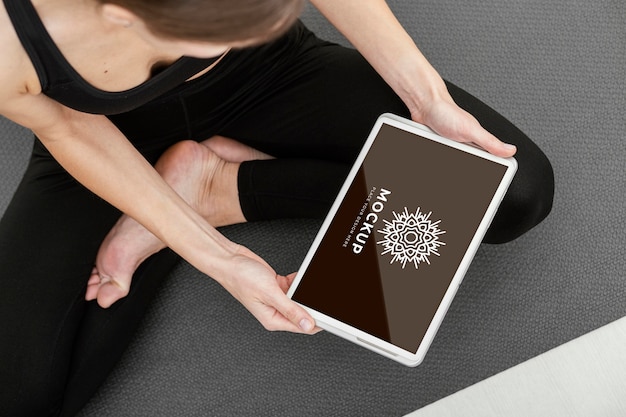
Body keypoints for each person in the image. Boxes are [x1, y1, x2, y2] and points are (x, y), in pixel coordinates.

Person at [0, 0, 554, 415]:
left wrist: (427, 100)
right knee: (19, 396)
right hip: (105, 132)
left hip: (271, 74)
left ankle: (219, 190)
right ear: (121, 14)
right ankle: (185, 200)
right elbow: (68, 127)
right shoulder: (9, 37)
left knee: (511, 190)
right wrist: (217, 257)